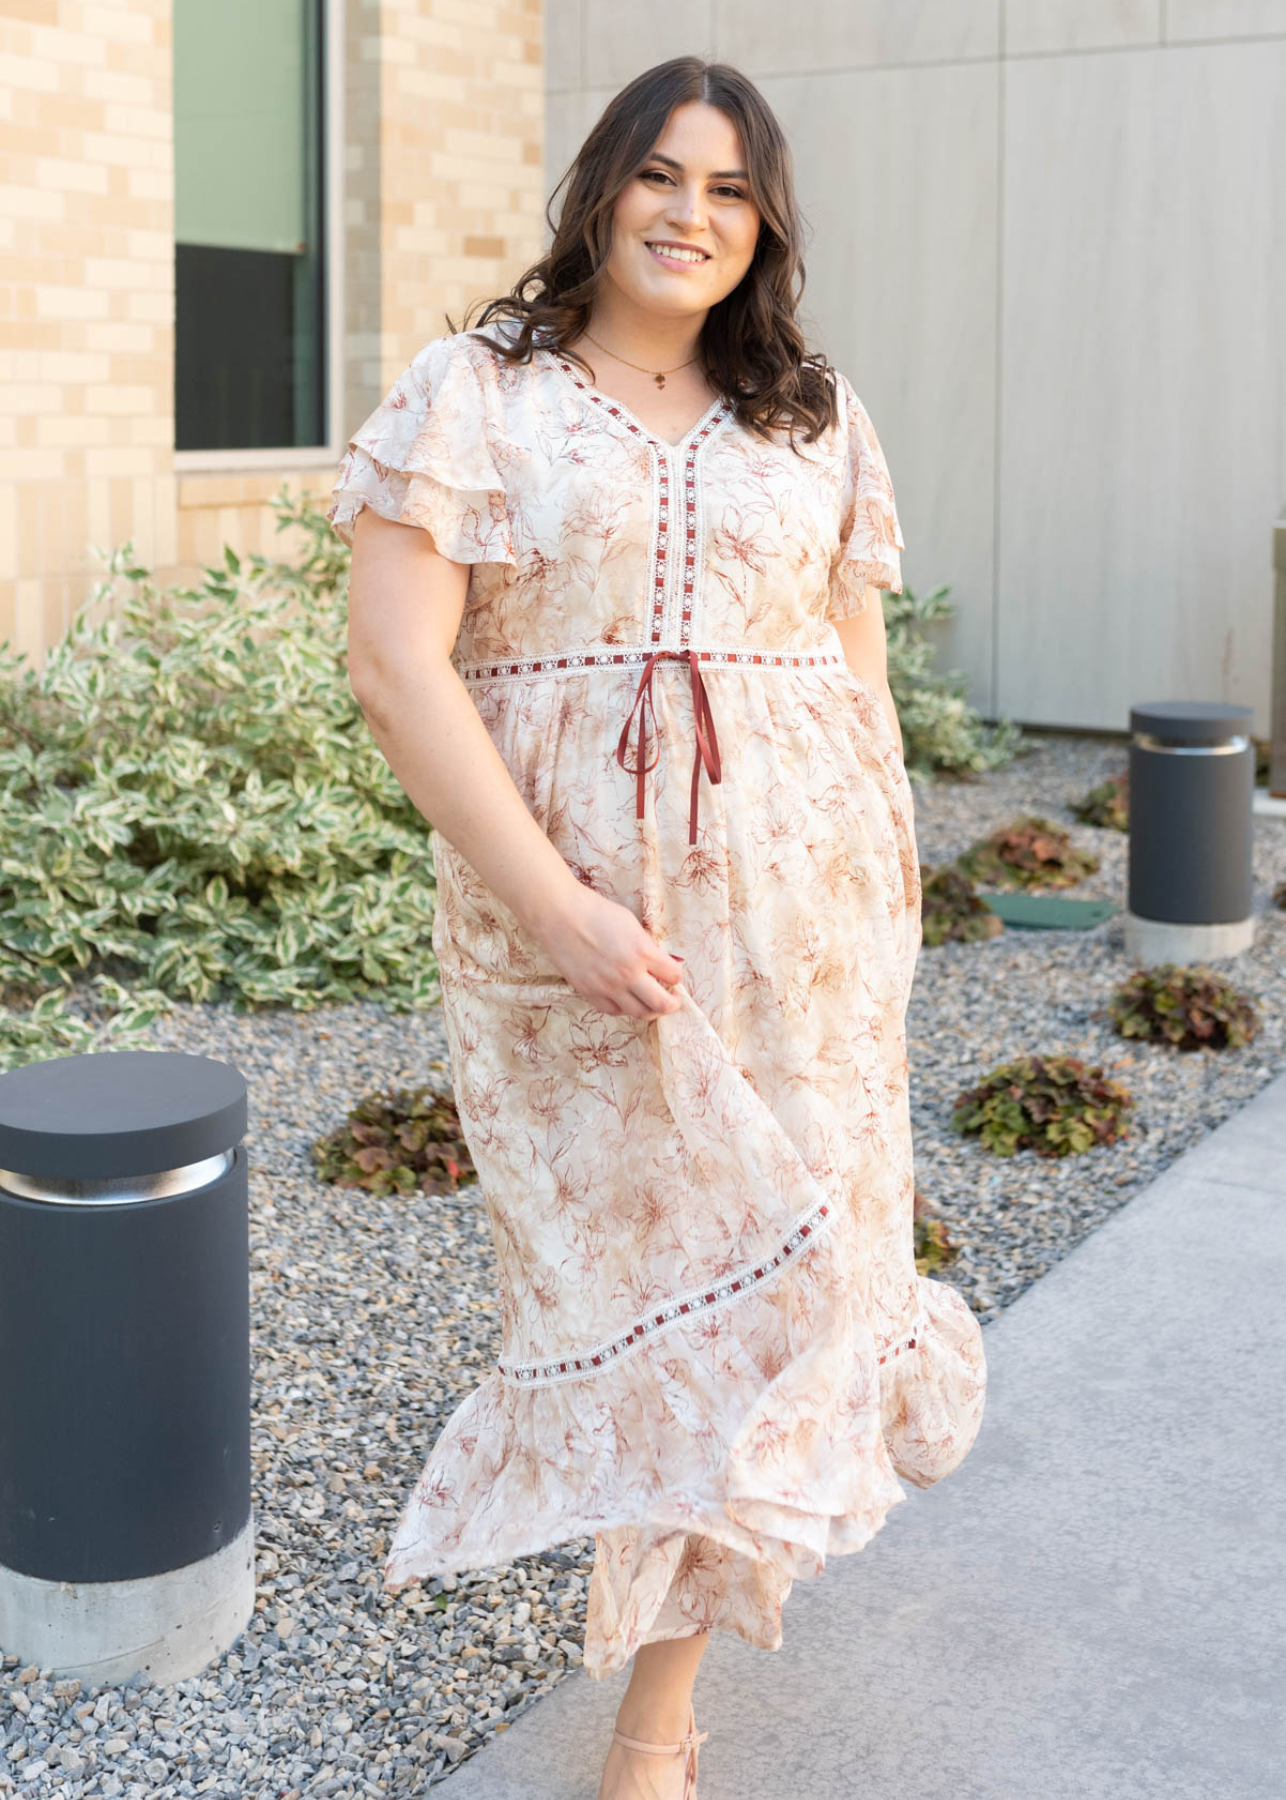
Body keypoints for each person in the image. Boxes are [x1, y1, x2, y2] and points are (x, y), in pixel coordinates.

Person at [327, 54, 987, 1800]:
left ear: (762, 223)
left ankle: (658, 1722)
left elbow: (852, 680)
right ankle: (670, 1622)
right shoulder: (476, 392)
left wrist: (889, 890)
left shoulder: (809, 409)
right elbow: (397, 670)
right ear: (601, 186)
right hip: (573, 951)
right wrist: (555, 912)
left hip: (806, 931)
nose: (692, 215)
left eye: (730, 189)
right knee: (640, 1293)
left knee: (782, 1292)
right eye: (662, 177)